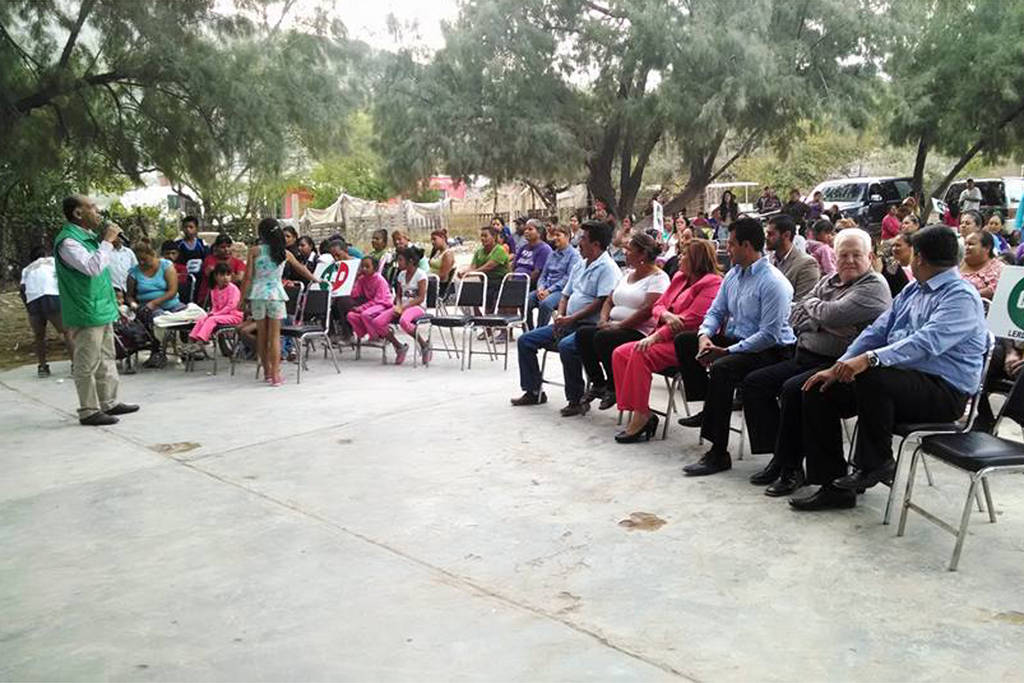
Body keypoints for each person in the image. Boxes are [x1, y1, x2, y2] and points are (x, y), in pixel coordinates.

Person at [792, 225, 987, 510]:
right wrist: (841, 365)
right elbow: (877, 331)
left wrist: (868, 359)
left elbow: (926, 342)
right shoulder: (913, 289)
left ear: (919, 257)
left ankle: (876, 462)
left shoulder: (960, 297)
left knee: (874, 374)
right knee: (820, 389)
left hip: (942, 392)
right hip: (897, 383)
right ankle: (833, 487)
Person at [742, 228, 892, 496]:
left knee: (795, 389)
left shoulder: (874, 286)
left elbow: (832, 314)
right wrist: (827, 321)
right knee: (755, 383)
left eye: (856, 255)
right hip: (805, 355)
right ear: (834, 256)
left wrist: (819, 316)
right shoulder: (829, 280)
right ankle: (780, 456)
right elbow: (794, 314)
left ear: (870, 257)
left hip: (842, 365)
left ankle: (792, 468)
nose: (849, 260)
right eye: (843, 255)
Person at [674, 217, 796, 476]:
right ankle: (710, 406)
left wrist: (726, 351)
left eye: (731, 244)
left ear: (747, 246)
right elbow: (715, 312)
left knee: (723, 368)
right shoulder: (733, 274)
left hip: (771, 351)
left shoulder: (773, 282)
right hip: (739, 341)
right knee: (685, 341)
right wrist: (704, 336)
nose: (726, 249)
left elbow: (769, 335)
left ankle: (718, 452)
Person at [611, 239, 723, 442]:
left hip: (685, 343)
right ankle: (642, 411)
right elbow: (658, 305)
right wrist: (666, 315)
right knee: (619, 354)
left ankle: (640, 416)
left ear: (696, 260)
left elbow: (691, 320)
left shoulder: (712, 283)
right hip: (663, 335)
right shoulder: (680, 278)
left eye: (684, 254)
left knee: (639, 353)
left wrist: (656, 335)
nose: (679, 258)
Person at [511, 220, 620, 415]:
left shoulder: (607, 268)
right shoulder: (580, 264)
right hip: (567, 322)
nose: (579, 243)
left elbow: (601, 302)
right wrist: (561, 316)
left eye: (583, 239)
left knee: (567, 347)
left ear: (596, 244)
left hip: (587, 327)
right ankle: (533, 391)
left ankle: (576, 399)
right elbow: (565, 294)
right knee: (526, 340)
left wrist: (571, 318)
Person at [54, 195, 138, 425]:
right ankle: (89, 410)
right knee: (87, 361)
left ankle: (109, 402)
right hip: (85, 310)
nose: (98, 211)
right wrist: (108, 241)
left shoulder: (89, 237)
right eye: (92, 207)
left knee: (106, 357)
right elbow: (92, 267)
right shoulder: (68, 242)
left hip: (102, 307)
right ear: (78, 213)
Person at [575, 233, 670, 410]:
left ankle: (614, 386)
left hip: (640, 331)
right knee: (583, 334)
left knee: (603, 338)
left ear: (642, 254)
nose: (625, 253)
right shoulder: (627, 274)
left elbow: (647, 310)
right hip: (614, 325)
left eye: (629, 250)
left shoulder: (658, 278)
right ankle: (598, 383)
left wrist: (619, 325)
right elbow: (609, 300)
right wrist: (603, 319)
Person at [238, 218, 318, 387]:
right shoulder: (284, 253)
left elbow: (248, 277)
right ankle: (276, 375)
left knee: (262, 335)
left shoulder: (254, 251)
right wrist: (316, 279)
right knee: (275, 336)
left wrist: (242, 299)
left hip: (258, 295)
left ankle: (267, 371)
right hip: (276, 295)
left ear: (261, 234)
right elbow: (301, 269)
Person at [20, 246, 73, 378]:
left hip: (33, 300)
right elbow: (65, 278)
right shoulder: (53, 261)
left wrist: (29, 308)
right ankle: (76, 364)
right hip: (51, 295)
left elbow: (22, 289)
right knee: (67, 332)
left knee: (39, 336)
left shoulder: (27, 269)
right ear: (45, 254)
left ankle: (42, 367)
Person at [528, 224, 580, 329]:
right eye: (554, 235)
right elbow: (543, 274)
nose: (555, 238)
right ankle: (529, 329)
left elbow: (567, 279)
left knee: (545, 304)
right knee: (526, 300)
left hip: (560, 290)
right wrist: (540, 288)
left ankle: (540, 330)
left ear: (567, 237)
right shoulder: (552, 254)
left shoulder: (574, 255)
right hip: (545, 288)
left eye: (558, 235)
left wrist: (549, 291)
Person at [386, 246, 431, 365]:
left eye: (400, 260)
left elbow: (420, 298)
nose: (398, 263)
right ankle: (399, 346)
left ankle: (424, 345)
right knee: (378, 321)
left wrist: (403, 308)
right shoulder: (401, 275)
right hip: (402, 307)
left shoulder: (421, 275)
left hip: (417, 307)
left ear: (410, 261)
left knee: (404, 321)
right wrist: (398, 305)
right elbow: (399, 295)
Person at [185, 263, 242, 352]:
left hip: (233, 315)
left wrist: (216, 314)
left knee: (212, 320)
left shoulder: (233, 289)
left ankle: (201, 342)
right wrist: (212, 313)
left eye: (228, 275)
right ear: (216, 276)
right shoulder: (214, 289)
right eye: (222, 275)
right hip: (220, 315)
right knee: (202, 319)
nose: (225, 278)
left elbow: (231, 306)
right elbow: (215, 305)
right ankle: (192, 341)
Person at [766, 214, 820, 301]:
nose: (767, 238)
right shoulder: (768, 261)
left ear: (786, 235)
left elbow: (803, 303)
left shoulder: (806, 264)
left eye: (770, 234)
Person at [346, 256, 395, 343]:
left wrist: (362, 308)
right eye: (362, 266)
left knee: (365, 314)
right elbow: (354, 294)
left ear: (375, 268)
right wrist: (356, 279)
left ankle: (375, 336)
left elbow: (378, 300)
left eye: (367, 267)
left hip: (383, 304)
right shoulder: (362, 279)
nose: (364, 269)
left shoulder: (380, 280)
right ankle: (364, 333)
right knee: (350, 315)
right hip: (371, 305)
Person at [460, 226, 510, 309]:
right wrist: (464, 272)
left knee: (492, 303)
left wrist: (471, 274)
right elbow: (472, 267)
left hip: (500, 283)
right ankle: (477, 315)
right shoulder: (479, 252)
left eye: (485, 236)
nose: (483, 238)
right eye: (481, 236)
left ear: (494, 237)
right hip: (485, 282)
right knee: (470, 294)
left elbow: (488, 267)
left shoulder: (500, 250)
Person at [197, 233, 246, 304]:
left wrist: (219, 273)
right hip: (209, 298)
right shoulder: (209, 260)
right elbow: (212, 277)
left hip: (232, 298)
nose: (226, 249)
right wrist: (232, 276)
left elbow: (239, 279)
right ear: (216, 248)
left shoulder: (238, 262)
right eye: (222, 247)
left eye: (229, 246)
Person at [960, 230, 1003, 299]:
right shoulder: (957, 264)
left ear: (987, 248)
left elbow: (995, 290)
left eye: (971, 244)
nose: (966, 248)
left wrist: (965, 296)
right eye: (965, 244)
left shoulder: (998, 268)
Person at [513, 219, 553, 286]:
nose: (526, 231)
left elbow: (537, 272)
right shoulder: (523, 247)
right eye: (525, 229)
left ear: (539, 232)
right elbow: (513, 265)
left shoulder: (544, 249)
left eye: (530, 229)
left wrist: (522, 285)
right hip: (515, 281)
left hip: (529, 284)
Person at [428, 229, 456, 294]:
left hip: (440, 286)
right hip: (432, 282)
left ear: (443, 238)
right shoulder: (437, 252)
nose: (432, 242)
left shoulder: (448, 254)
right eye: (431, 240)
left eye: (434, 239)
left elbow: (443, 276)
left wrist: (427, 279)